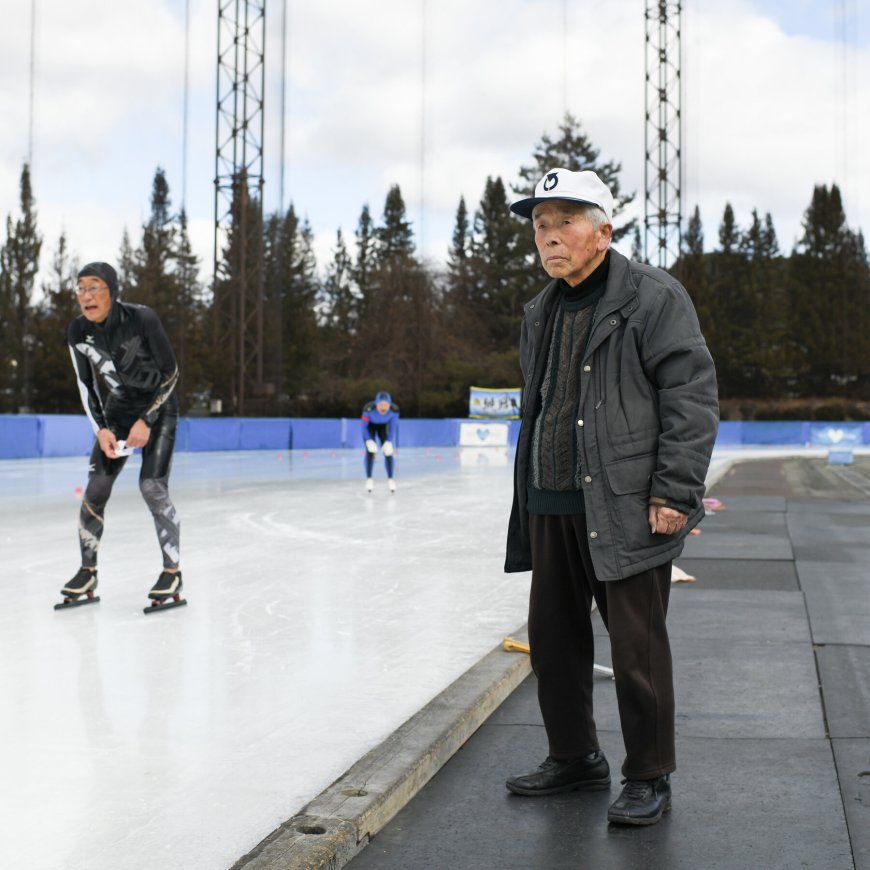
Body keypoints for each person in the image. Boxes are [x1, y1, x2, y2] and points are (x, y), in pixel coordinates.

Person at [503, 168, 718, 825]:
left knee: (636, 648)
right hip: (551, 501)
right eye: (541, 225)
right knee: (555, 642)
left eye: (565, 220)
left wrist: (675, 489)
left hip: (628, 503)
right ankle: (575, 758)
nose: (549, 236)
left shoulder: (653, 296)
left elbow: (691, 394)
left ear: (603, 230)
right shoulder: (541, 309)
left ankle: (649, 774)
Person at [59, 262, 184, 610]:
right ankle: (88, 570)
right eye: (81, 288)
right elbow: (86, 386)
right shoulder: (77, 332)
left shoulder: (142, 319)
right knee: (96, 487)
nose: (87, 295)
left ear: (112, 291)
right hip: (119, 410)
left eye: (95, 287)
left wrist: (147, 419)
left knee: (152, 487)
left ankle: (171, 571)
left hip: (159, 407)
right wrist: (101, 429)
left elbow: (171, 372)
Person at [361, 391, 399, 493]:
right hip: (370, 428)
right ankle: (369, 478)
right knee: (371, 451)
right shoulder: (368, 408)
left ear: (389, 405)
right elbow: (364, 427)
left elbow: (392, 427)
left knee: (388, 452)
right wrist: (368, 440)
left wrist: (389, 441)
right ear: (376, 404)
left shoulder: (394, 410)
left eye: (386, 405)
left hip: (383, 428)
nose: (383, 407)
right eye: (381, 404)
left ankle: (390, 478)